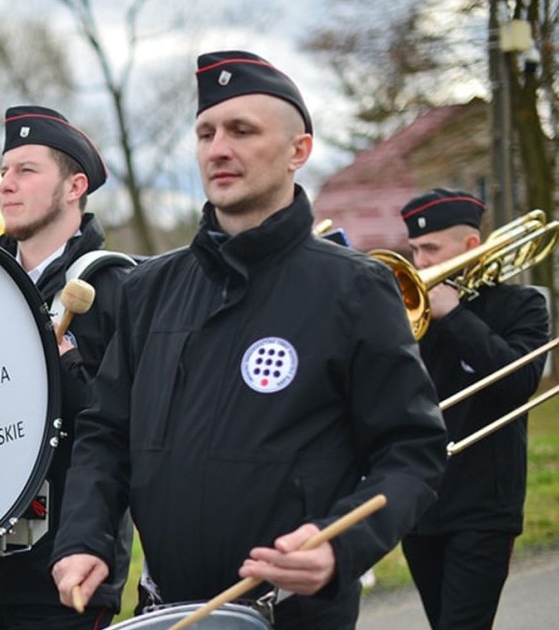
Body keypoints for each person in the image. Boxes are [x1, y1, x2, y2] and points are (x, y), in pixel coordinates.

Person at [50, 50, 449, 629]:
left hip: (296, 617)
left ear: (298, 151)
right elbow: (106, 434)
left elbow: (413, 452)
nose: (218, 148)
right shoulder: (149, 288)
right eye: (206, 132)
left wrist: (341, 547)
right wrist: (83, 538)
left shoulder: (355, 289)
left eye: (242, 131)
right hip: (167, 612)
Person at [0, 105, 134, 630]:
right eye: (4, 170)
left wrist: (63, 364)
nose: (5, 184)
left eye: (26, 170)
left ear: (75, 186)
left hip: (69, 567)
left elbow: (117, 431)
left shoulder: (118, 289)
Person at [398, 189, 549, 630]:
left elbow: (518, 384)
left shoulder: (522, 306)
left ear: (469, 247)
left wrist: (457, 315)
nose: (420, 260)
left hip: (485, 505)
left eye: (430, 249)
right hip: (422, 504)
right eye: (414, 249)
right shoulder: (408, 314)